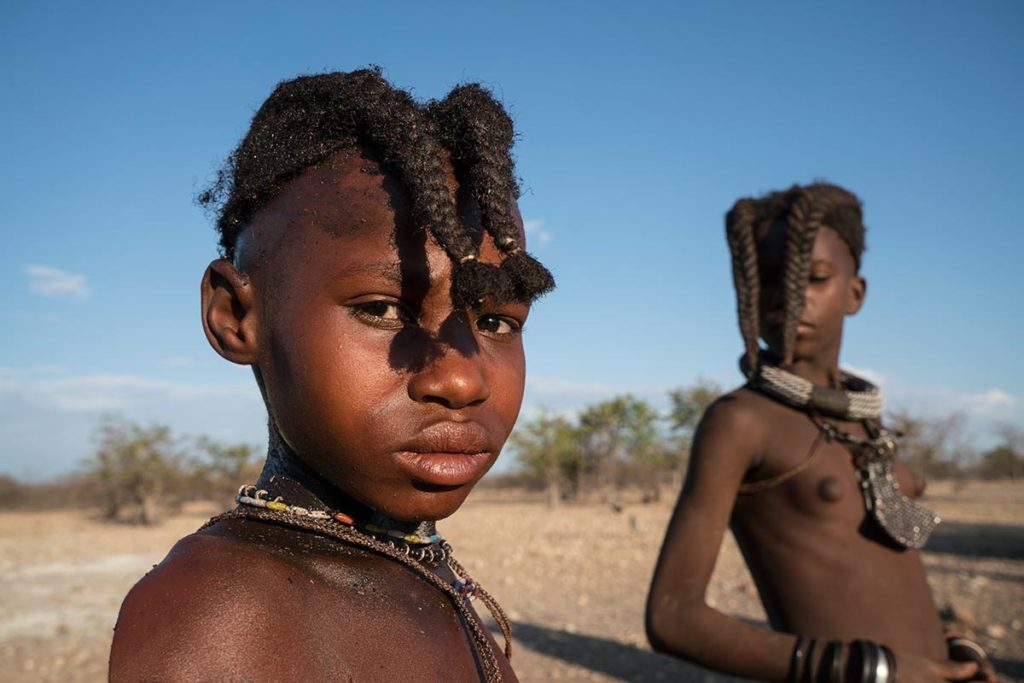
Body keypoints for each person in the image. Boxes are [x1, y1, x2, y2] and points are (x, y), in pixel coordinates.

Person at [109, 68, 553, 682]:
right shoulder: (225, 614)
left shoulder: (412, 562)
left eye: (499, 321)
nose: (460, 380)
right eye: (383, 309)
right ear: (237, 317)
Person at [645, 183, 995, 682]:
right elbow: (671, 616)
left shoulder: (864, 421)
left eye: (813, 278)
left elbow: (885, 577)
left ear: (855, 294)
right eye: (767, 281)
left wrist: (953, 650)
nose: (788, 298)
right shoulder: (741, 420)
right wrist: (871, 670)